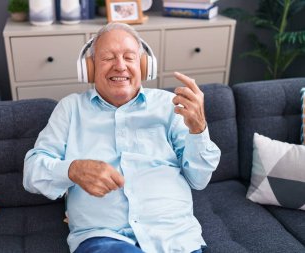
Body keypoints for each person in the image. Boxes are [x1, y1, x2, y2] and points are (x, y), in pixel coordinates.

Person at [23, 22, 221, 253]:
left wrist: (198, 129)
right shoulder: (70, 109)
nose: (120, 66)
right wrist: (72, 170)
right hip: (104, 239)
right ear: (89, 68)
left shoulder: (169, 106)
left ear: (144, 66)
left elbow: (199, 179)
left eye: (129, 57)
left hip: (175, 240)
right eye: (108, 58)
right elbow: (32, 172)